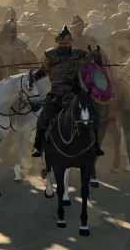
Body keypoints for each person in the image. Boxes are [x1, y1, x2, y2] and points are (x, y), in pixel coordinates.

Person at [31, 26, 101, 157]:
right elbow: (44, 70)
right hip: (56, 93)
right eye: (61, 43)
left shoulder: (79, 56)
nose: (64, 45)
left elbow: (87, 69)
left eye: (66, 43)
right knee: (43, 118)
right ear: (58, 43)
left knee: (92, 114)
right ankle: (37, 146)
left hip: (75, 92)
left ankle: (95, 144)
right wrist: (34, 77)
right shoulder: (51, 56)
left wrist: (93, 59)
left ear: (71, 43)